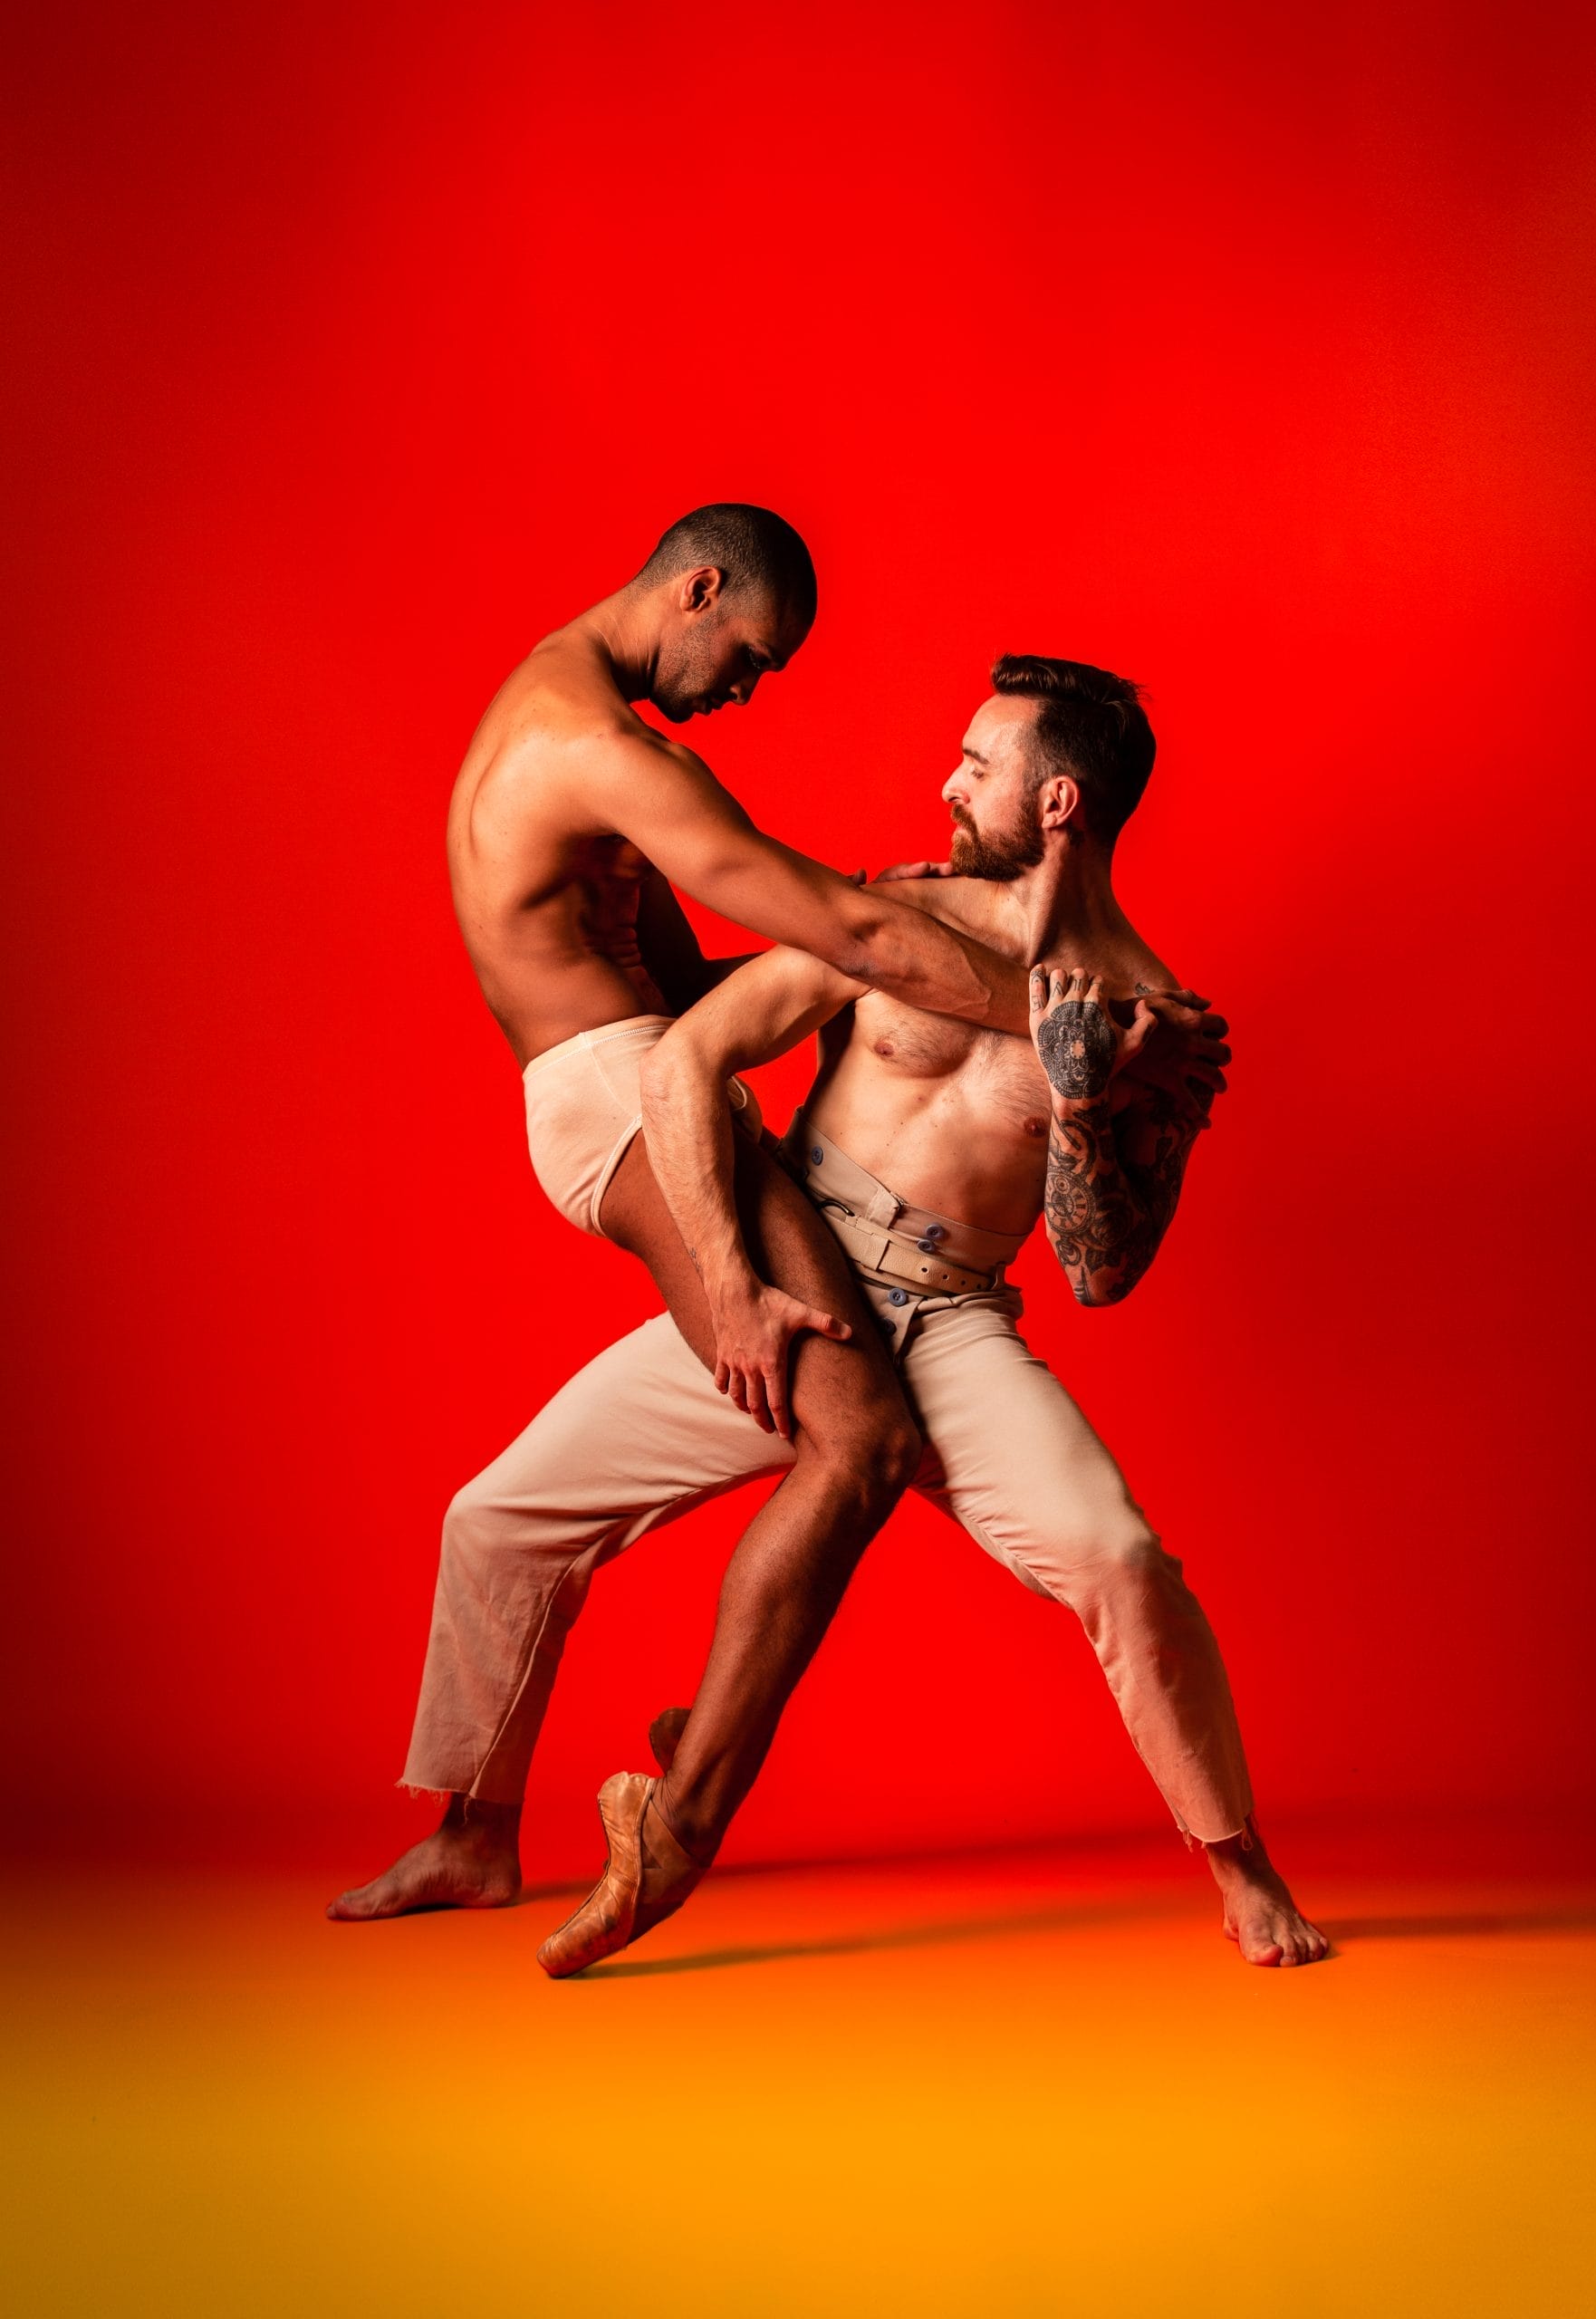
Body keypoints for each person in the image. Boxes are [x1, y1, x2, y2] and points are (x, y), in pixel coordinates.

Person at [412, 655, 1322, 1974]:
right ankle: (471, 1831)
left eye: (976, 764)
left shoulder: (1156, 1023)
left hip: (951, 1317)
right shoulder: (894, 914)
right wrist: (732, 1279)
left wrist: (1077, 1110)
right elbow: (697, 1050)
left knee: (1122, 1563)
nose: (945, 782)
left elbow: (1102, 1271)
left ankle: (1239, 1865)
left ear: (1057, 802)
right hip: (799, 1277)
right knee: (498, 1518)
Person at [329, 507, 1066, 1951]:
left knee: (503, 1514)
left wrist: (865, 953)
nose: (748, 689)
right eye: (748, 656)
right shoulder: (605, 752)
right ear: (699, 586)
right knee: (860, 1439)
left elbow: (712, 976)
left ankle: (473, 1834)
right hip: (627, 1102)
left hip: (615, 1087)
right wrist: (1053, 1011)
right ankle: (686, 1816)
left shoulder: (558, 712)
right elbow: (833, 943)